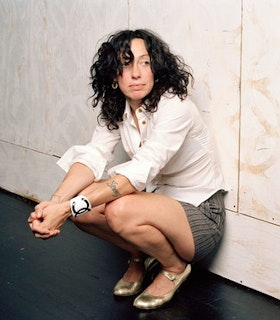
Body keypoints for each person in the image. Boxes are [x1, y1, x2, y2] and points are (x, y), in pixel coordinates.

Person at [28, 29, 226, 310]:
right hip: (156, 204)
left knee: (114, 209)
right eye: (126, 63)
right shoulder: (118, 108)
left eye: (145, 63)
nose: (136, 73)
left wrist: (68, 207)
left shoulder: (175, 107)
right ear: (113, 74)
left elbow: (140, 171)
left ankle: (174, 266)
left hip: (200, 215)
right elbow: (93, 156)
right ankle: (139, 256)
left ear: (156, 69)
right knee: (82, 213)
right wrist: (56, 203)